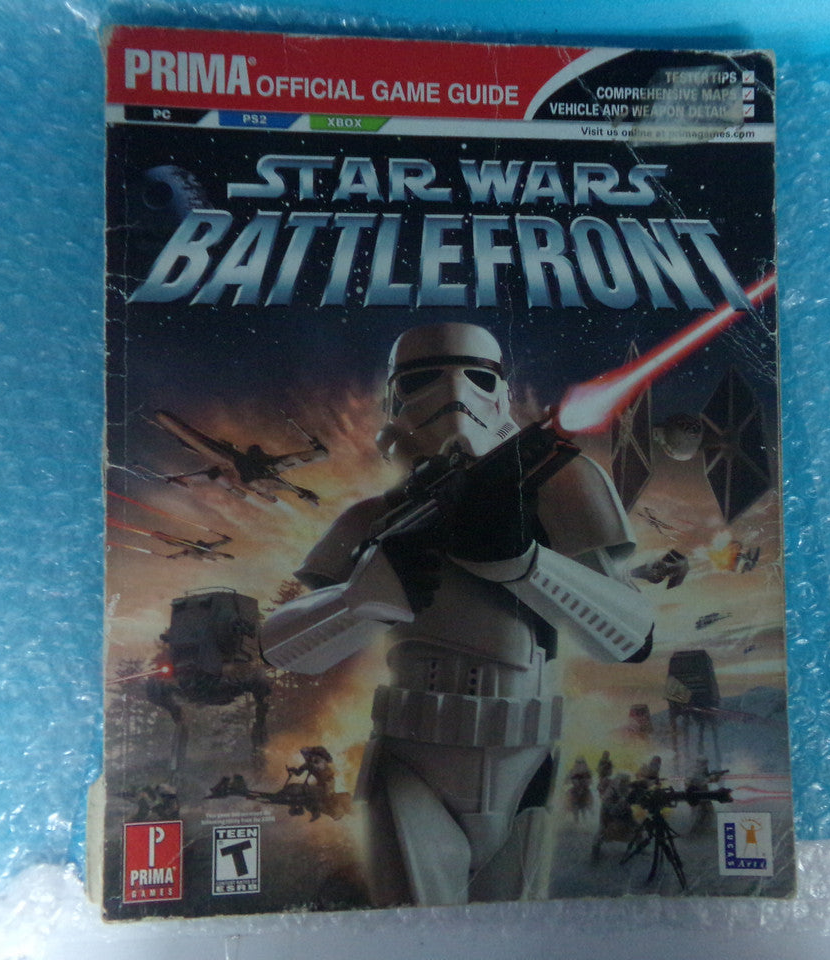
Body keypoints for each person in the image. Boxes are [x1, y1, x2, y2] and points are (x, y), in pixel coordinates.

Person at [261, 322, 653, 906]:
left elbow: (631, 637)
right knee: (416, 933)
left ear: (500, 391)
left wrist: (527, 563)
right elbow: (281, 646)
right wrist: (362, 599)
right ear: (394, 398)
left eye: (476, 376)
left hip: (523, 756)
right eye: (421, 379)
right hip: (411, 756)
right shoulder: (373, 517)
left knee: (510, 933)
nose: (454, 394)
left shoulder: (557, 483)